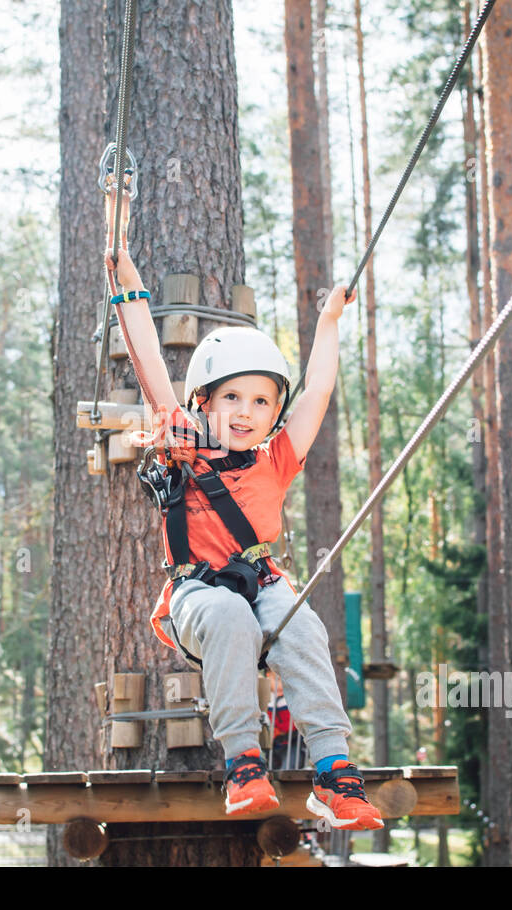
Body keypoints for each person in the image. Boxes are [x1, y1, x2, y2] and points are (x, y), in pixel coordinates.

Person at [103, 230, 384, 831]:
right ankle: (243, 763)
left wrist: (329, 322)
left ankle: (334, 773)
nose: (245, 412)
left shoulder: (277, 457)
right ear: (202, 401)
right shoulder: (181, 439)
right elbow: (148, 352)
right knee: (230, 618)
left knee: (303, 623)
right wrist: (124, 277)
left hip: (261, 580)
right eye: (231, 396)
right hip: (198, 593)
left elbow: (318, 390)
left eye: (261, 401)